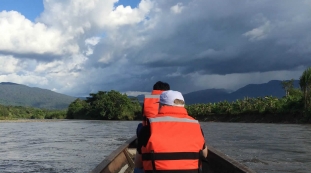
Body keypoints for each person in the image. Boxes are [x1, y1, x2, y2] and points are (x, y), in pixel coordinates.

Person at [134, 90, 208, 173]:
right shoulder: (196, 125)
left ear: (161, 106)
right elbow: (204, 154)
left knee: (138, 169)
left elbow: (138, 163)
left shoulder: (148, 127)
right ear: (183, 106)